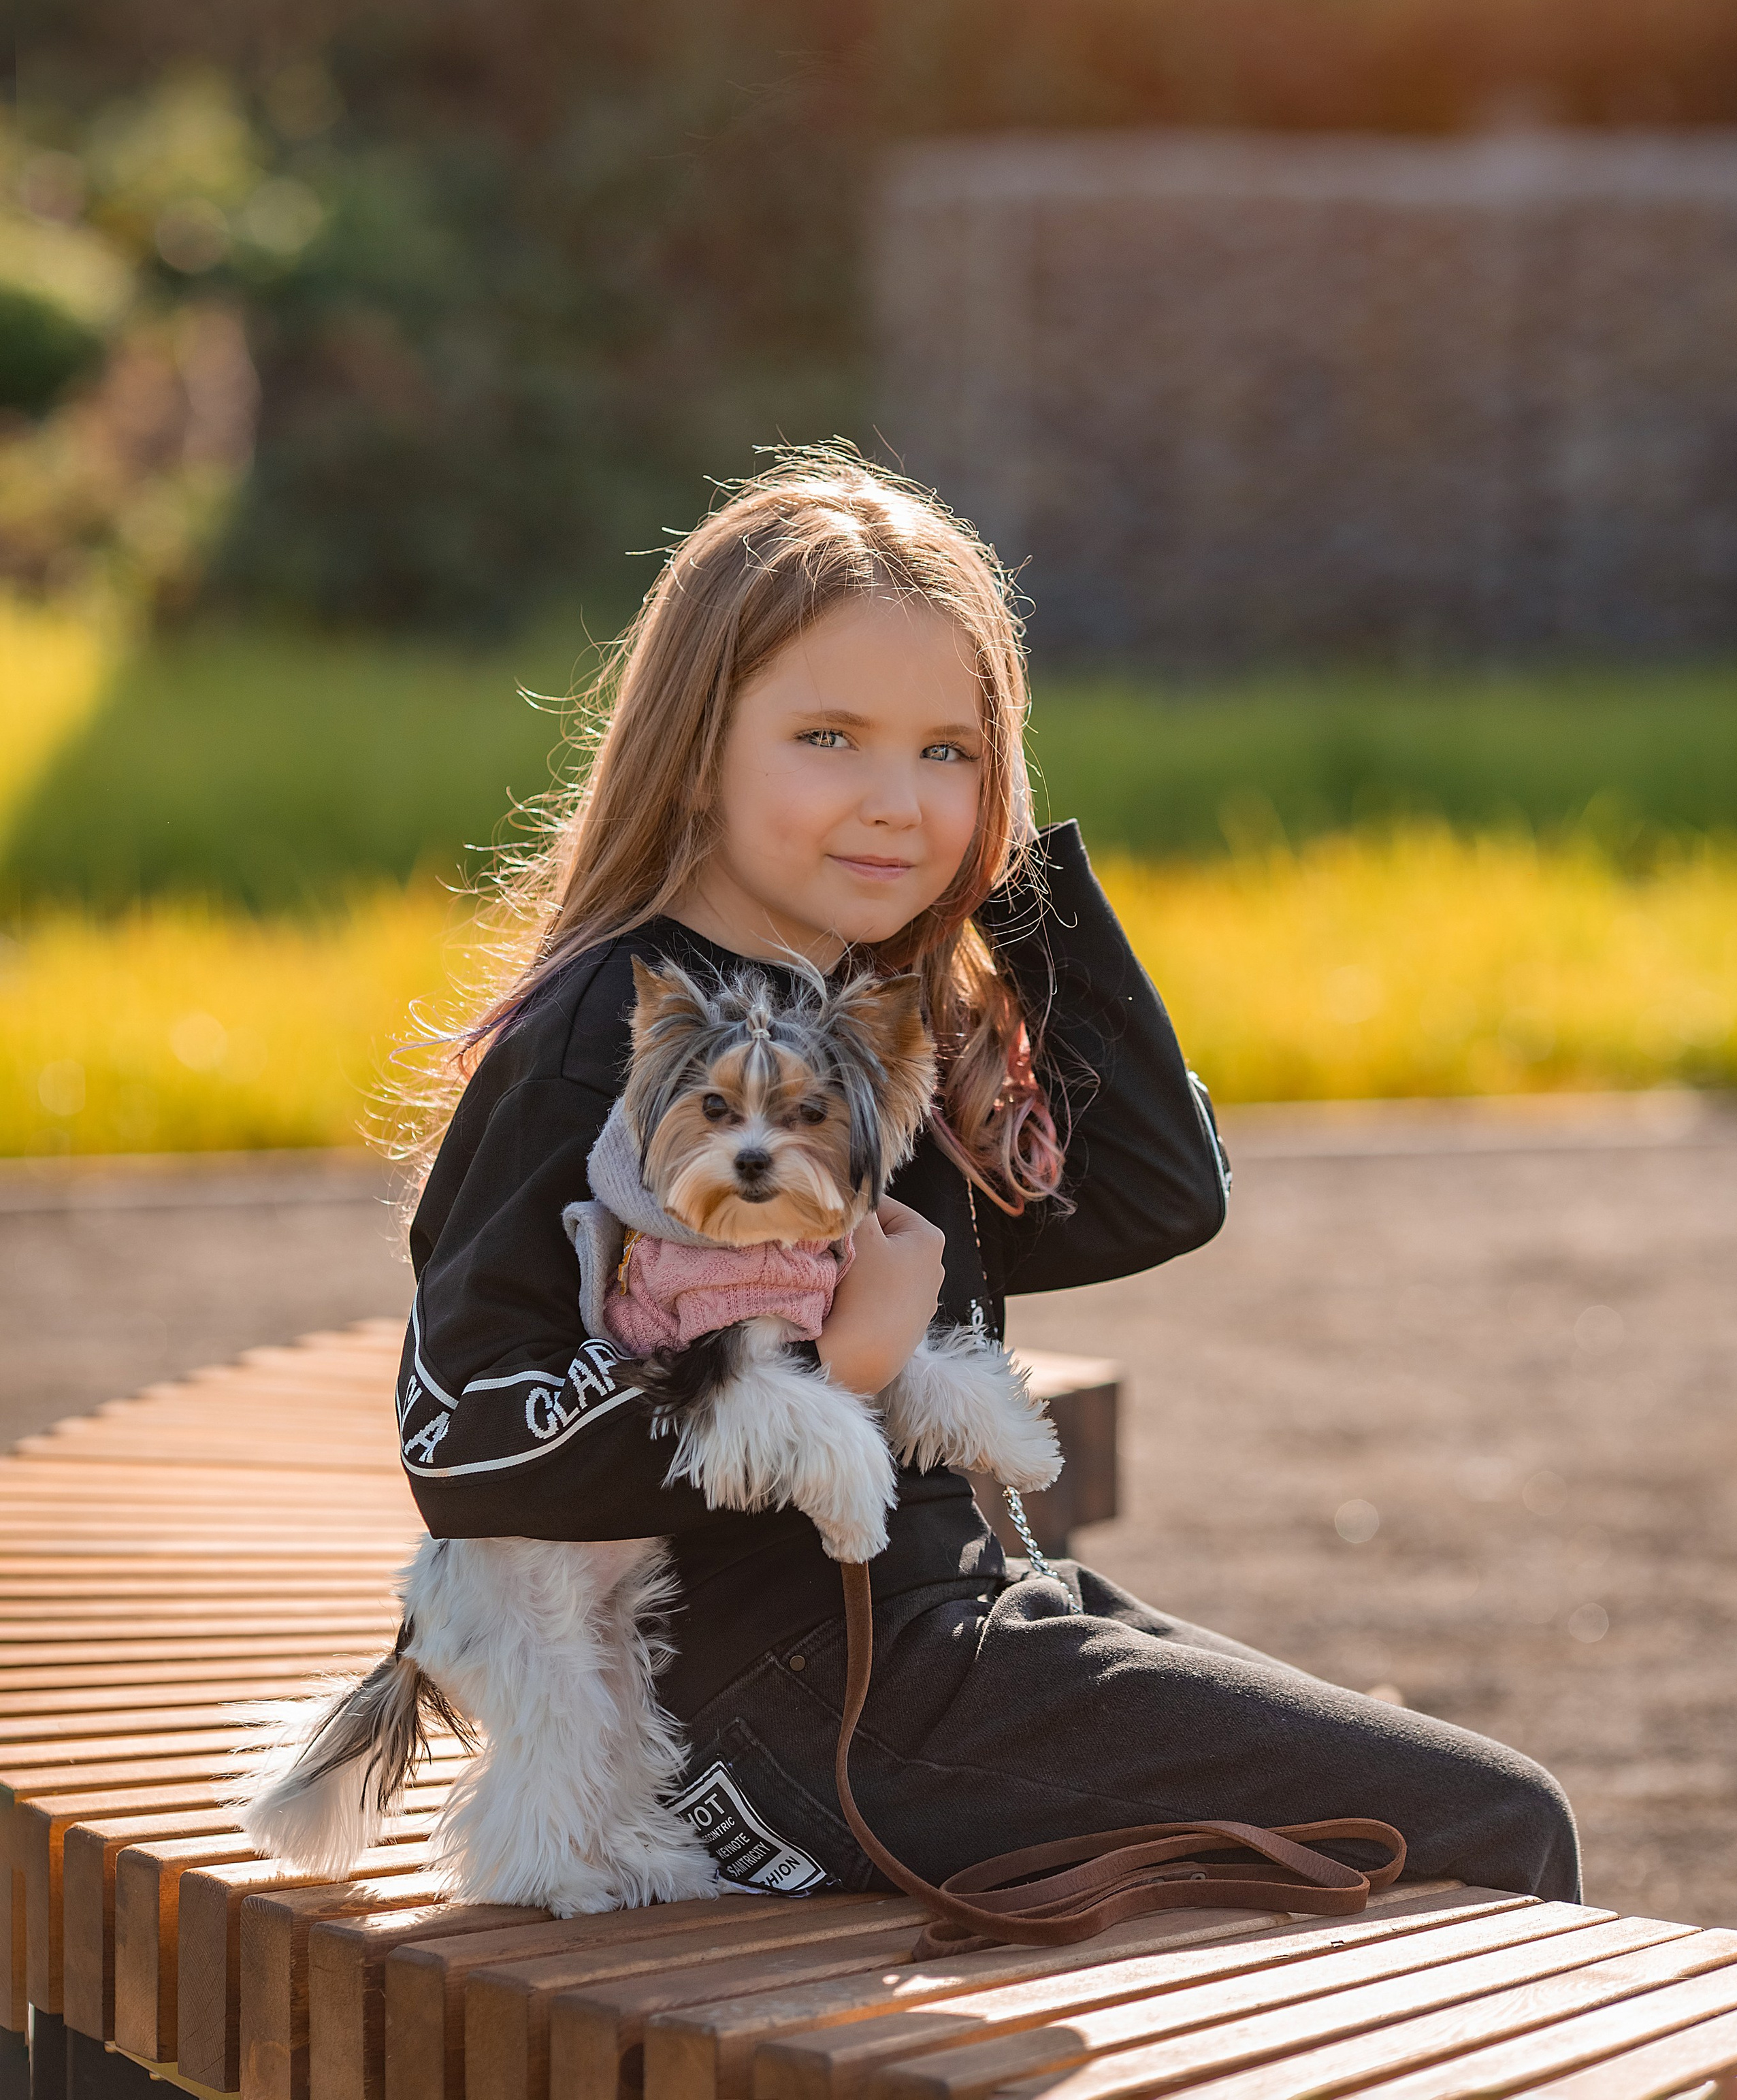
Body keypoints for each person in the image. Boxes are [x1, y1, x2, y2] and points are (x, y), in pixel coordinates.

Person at [397, 448, 1580, 1904]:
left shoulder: (864, 1009)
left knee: (1427, 1811)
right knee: (1485, 1829)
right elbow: (461, 1438)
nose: (895, 801)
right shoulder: (616, 1036)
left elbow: (1157, 1193)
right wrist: (840, 1365)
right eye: (827, 738)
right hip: (777, 1718)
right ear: (695, 744)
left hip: (943, 1632)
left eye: (947, 753)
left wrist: (1009, 889)